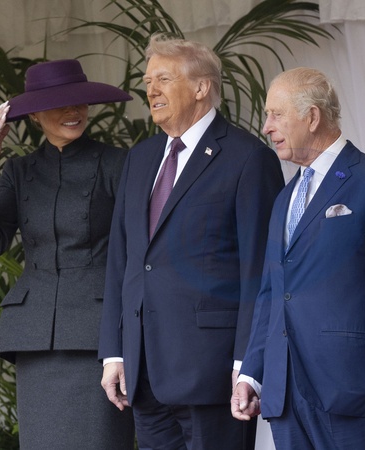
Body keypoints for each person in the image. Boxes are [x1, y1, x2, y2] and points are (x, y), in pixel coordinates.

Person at [97, 34, 284, 450]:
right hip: (144, 372)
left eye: (163, 79)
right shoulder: (139, 158)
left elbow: (261, 271)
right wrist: (114, 352)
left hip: (215, 375)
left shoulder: (248, 158)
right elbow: (122, 261)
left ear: (201, 88)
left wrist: (248, 364)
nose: (151, 90)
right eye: (148, 82)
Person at [230, 67, 365, 450]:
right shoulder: (285, 198)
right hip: (285, 389)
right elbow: (271, 292)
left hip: (347, 386)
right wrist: (251, 373)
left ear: (312, 117)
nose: (267, 127)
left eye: (276, 114)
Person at [0, 59, 135, 449]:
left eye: (79, 102)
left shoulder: (117, 164)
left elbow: (137, 249)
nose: (73, 112)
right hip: (34, 337)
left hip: (98, 335)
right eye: (60, 104)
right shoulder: (18, 171)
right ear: (35, 114)